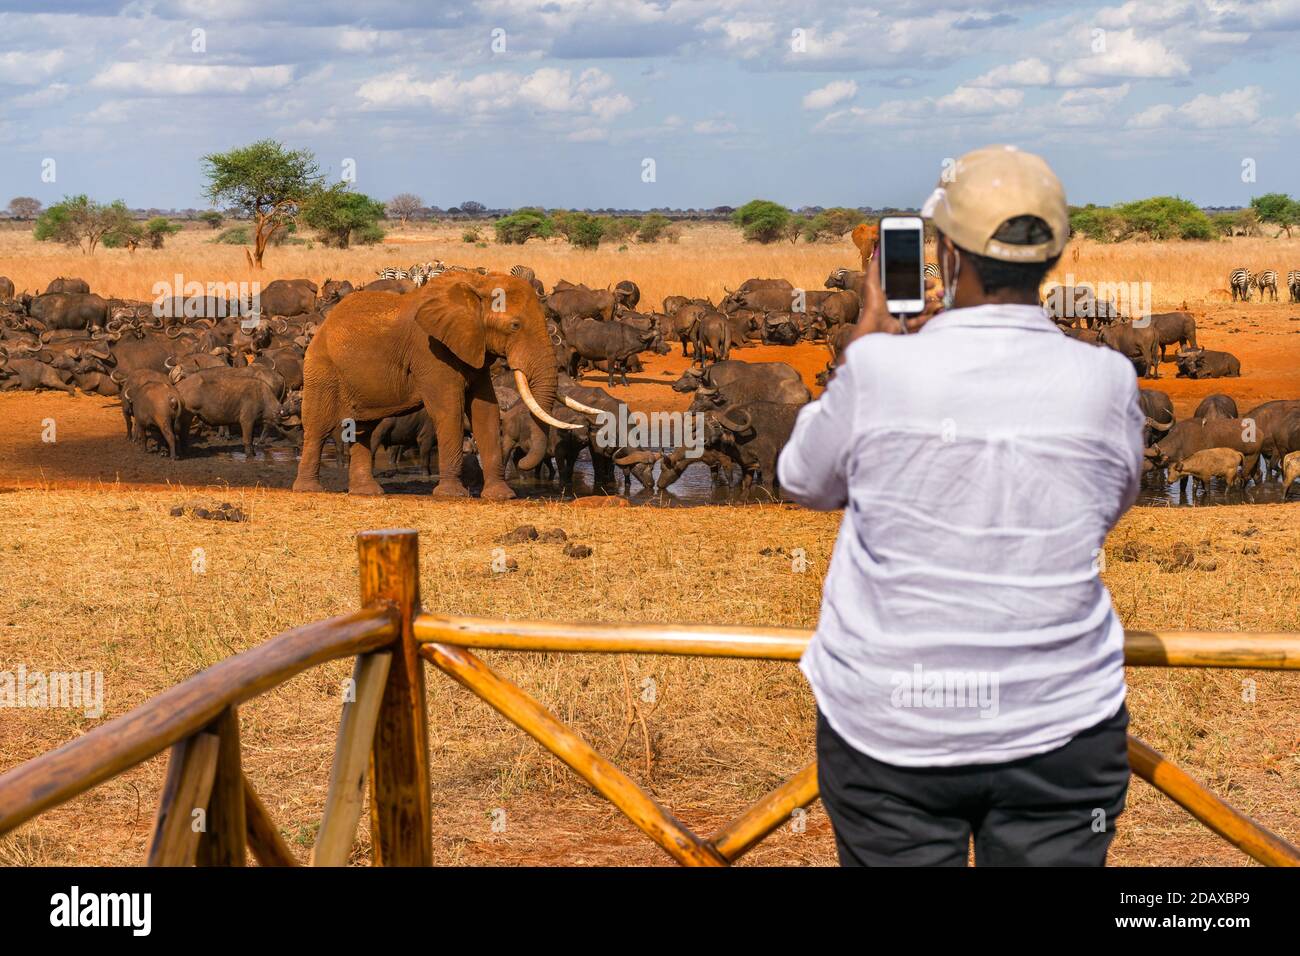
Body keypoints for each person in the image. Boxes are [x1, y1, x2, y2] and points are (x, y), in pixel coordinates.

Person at [777, 145, 1145, 866]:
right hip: (1062, 722)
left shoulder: (880, 369)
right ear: (1056, 255)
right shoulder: (1106, 378)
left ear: (945, 254)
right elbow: (1109, 501)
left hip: (891, 730)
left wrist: (867, 337)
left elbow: (802, 480)